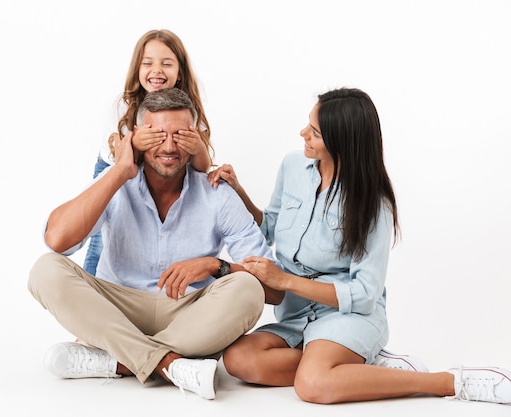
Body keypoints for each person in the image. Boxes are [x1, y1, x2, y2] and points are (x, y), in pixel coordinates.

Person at [208, 87, 511, 405]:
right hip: (297, 315)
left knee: (312, 385)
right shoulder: (292, 167)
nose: (303, 134)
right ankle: (356, 367)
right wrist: (238, 191)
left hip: (350, 315)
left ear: (342, 143)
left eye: (315, 132)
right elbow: (269, 226)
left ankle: (446, 382)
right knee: (239, 361)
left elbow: (365, 293)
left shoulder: (373, 205)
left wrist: (284, 280)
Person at [28, 87, 278, 400]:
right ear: (137, 137)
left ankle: (117, 361)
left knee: (248, 288)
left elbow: (273, 290)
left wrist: (216, 265)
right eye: (157, 135)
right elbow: (57, 240)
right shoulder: (117, 183)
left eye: (180, 135)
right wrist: (120, 169)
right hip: (118, 308)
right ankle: (172, 364)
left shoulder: (217, 194)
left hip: (186, 311)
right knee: (45, 270)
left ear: (196, 139)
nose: (169, 147)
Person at [83, 29, 213, 276]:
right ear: (137, 69)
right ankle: (92, 288)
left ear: (179, 72)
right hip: (114, 169)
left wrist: (196, 147)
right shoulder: (123, 106)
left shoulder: (188, 107)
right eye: (148, 63)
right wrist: (134, 144)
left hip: (161, 180)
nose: (157, 70)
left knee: (147, 237)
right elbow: (120, 162)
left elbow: (201, 167)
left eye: (167, 63)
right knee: (101, 237)